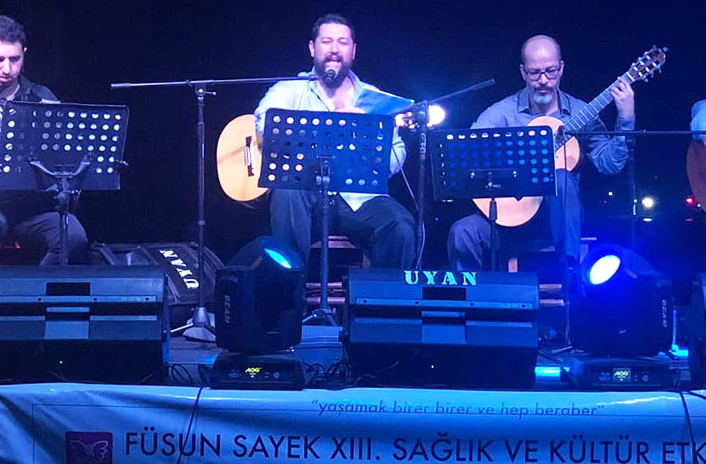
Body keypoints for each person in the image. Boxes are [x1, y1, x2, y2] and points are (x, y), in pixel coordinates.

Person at [447, 34, 635, 271]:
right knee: (462, 232)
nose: (544, 80)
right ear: (523, 72)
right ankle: (471, 293)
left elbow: (611, 164)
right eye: (535, 73)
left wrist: (626, 117)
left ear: (561, 68)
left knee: (561, 177)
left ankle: (570, 276)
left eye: (551, 71)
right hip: (507, 217)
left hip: (560, 219)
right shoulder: (502, 114)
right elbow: (467, 155)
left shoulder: (581, 112)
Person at [253, 13, 416, 269]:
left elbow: (396, 154)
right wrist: (331, 127)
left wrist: (371, 144)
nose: (334, 49)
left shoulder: (375, 98)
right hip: (305, 195)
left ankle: (380, 295)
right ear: (312, 48)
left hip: (358, 199)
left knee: (401, 226)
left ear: (353, 51)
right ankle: (289, 290)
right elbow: (265, 122)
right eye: (327, 41)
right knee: (287, 192)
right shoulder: (291, 88)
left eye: (342, 42)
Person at [0, 15, 87, 279]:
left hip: (33, 207)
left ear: (24, 56)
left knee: (74, 236)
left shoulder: (42, 99)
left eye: (14, 59)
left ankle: (32, 291)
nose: (6, 68)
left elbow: (69, 157)